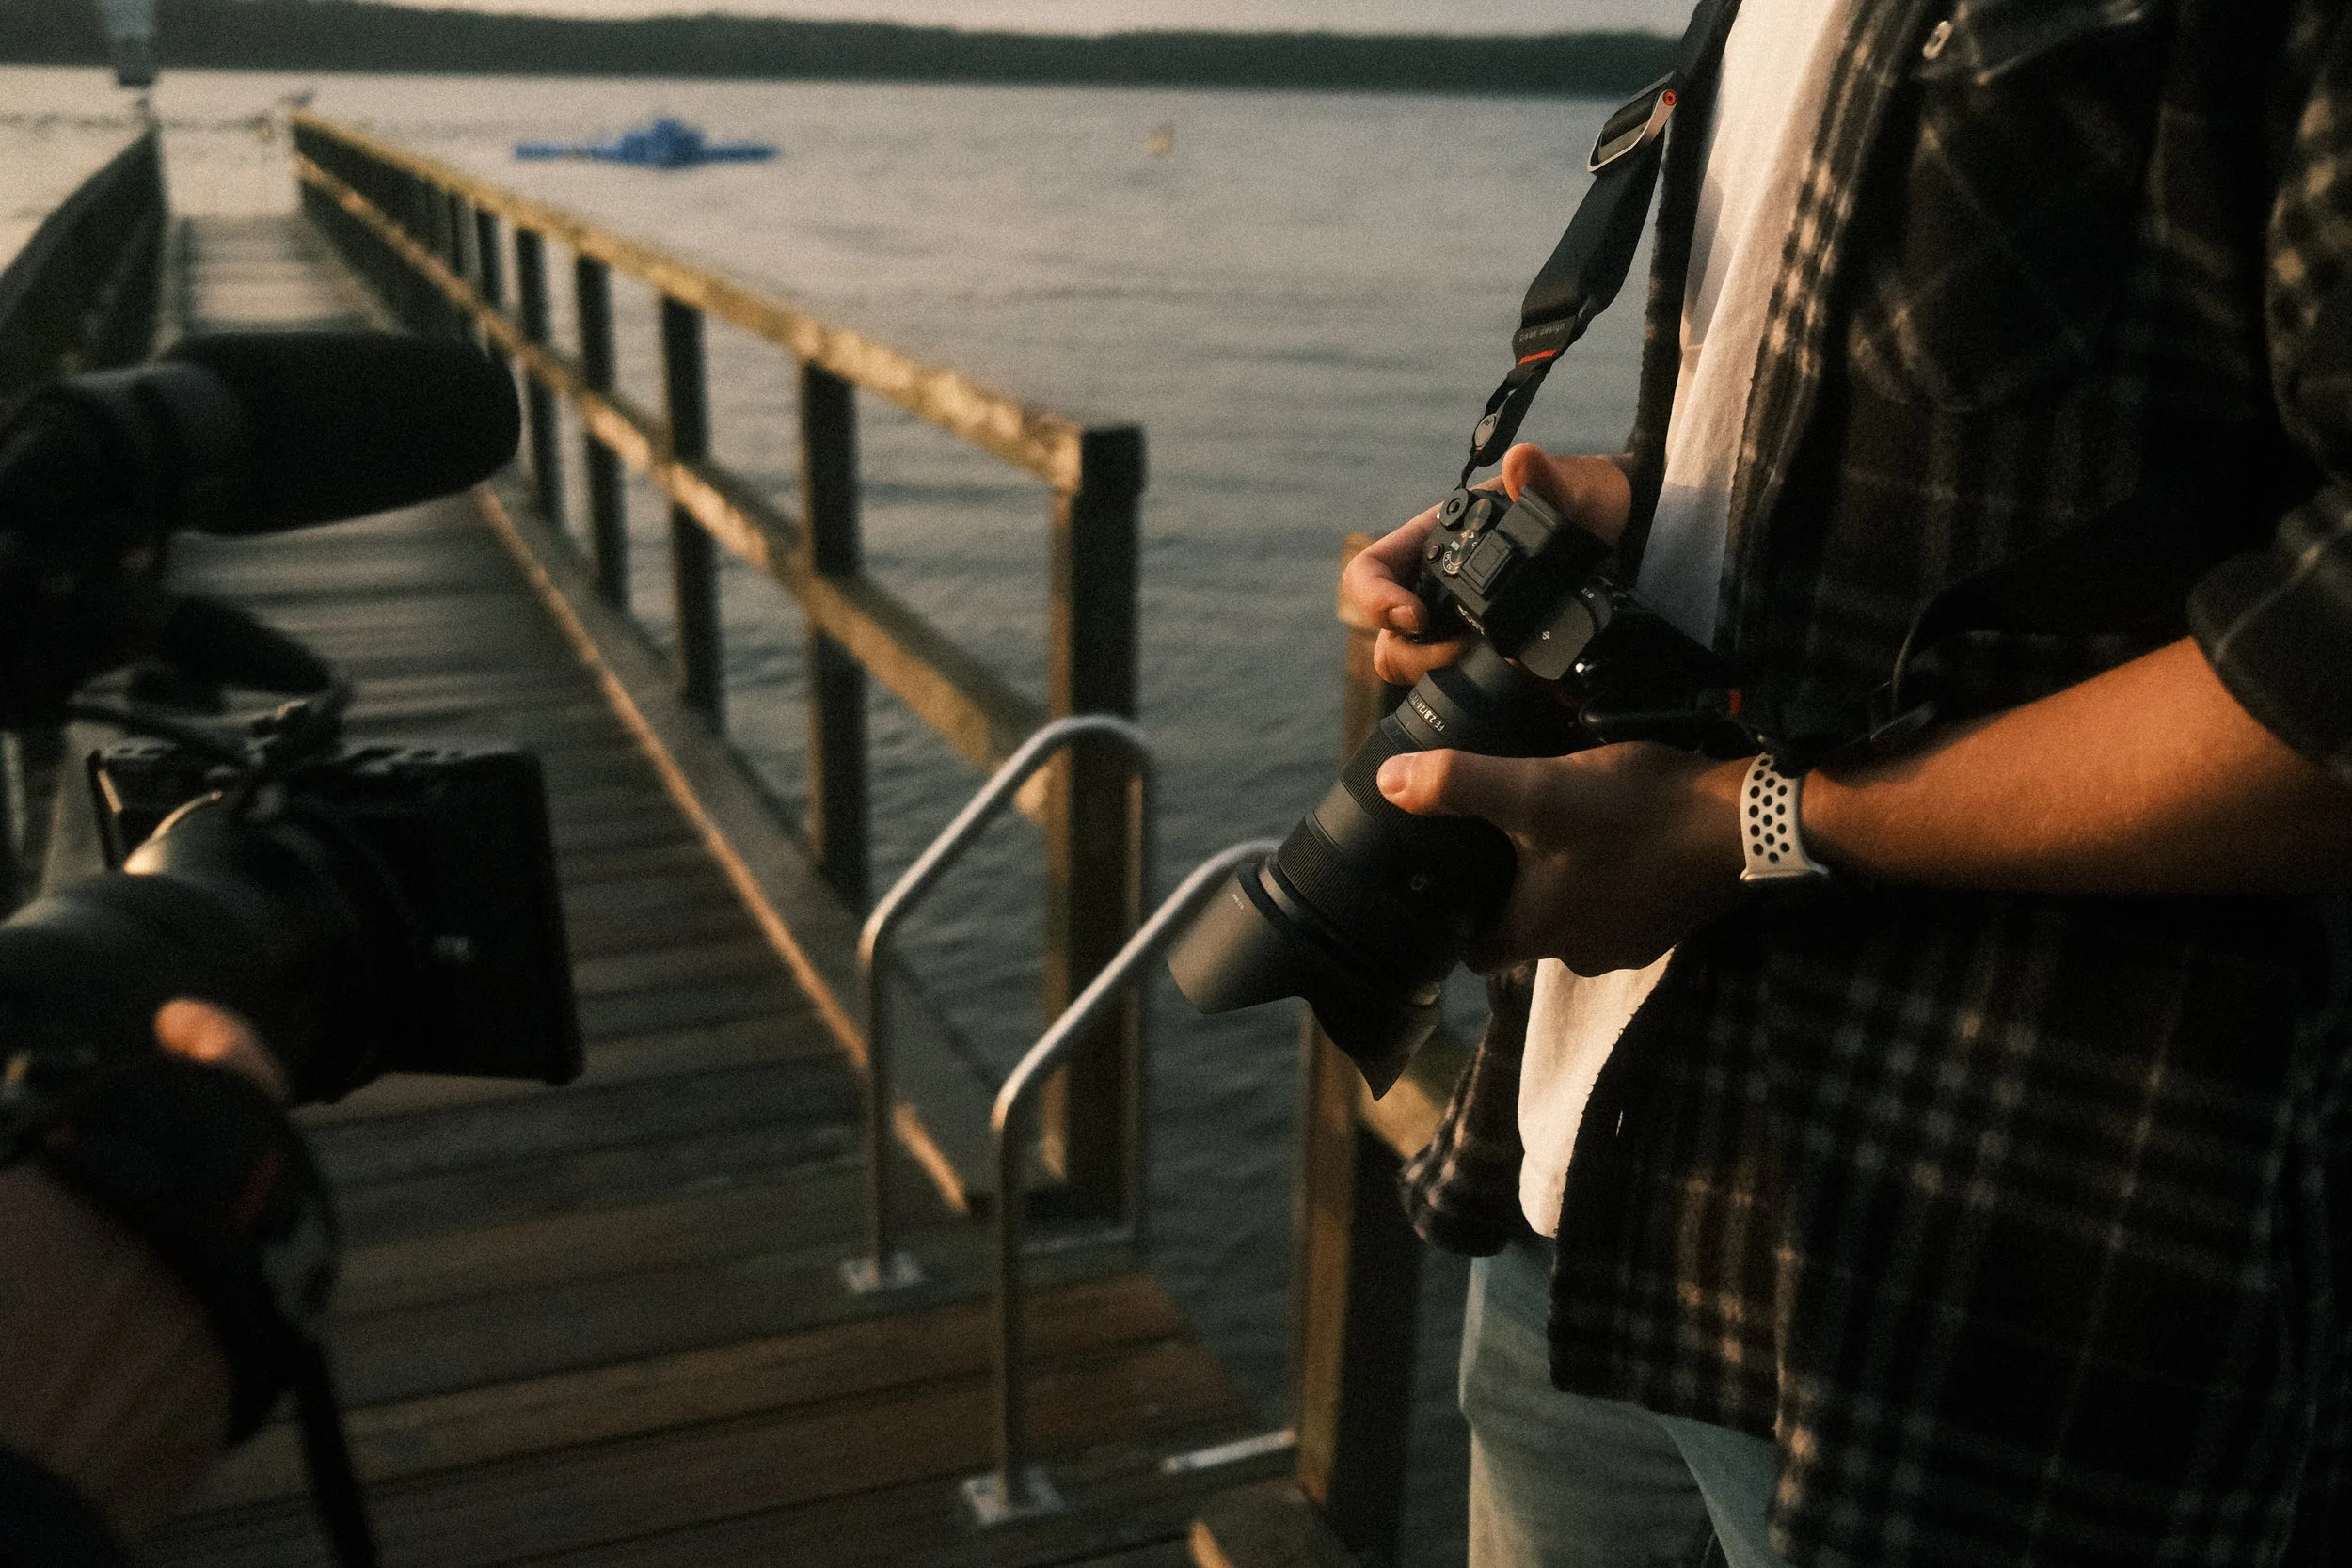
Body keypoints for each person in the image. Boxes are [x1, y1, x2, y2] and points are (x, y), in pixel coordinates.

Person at [1341, 1, 2352, 1564]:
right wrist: (1625, 525)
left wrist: (1744, 822)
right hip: (1590, 1186)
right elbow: (1886, 449)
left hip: (1981, 1288)